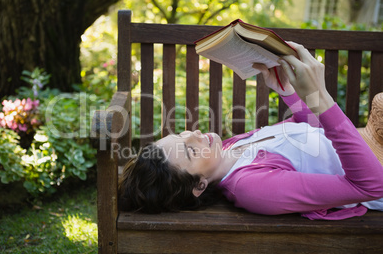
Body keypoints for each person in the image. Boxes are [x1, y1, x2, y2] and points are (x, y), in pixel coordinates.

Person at [119, 42, 383, 220]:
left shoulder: (230, 147)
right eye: (189, 149)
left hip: (370, 139)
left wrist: (287, 92)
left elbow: (314, 134)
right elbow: (372, 185)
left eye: (182, 134)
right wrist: (320, 96)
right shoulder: (252, 188)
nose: (195, 134)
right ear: (198, 185)